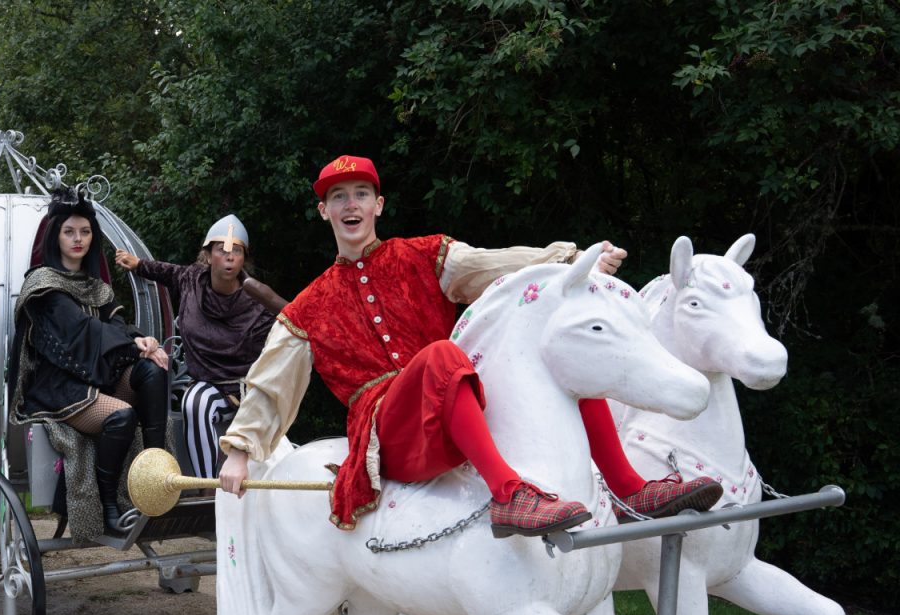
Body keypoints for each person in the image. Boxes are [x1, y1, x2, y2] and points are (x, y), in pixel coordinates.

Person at [218, 155, 722, 536]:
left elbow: (494, 265)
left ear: (379, 205)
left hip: (456, 406)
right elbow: (269, 385)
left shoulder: (426, 255)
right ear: (323, 210)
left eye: (360, 194)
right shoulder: (307, 309)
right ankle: (509, 494)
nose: (351, 205)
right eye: (339, 197)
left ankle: (630, 487)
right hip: (392, 436)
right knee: (441, 356)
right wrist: (240, 453)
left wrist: (569, 260)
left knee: (565, 360)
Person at [8, 188, 171, 535]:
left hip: (97, 379)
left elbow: (113, 325)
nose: (78, 239)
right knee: (122, 416)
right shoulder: (43, 286)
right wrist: (131, 342)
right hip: (58, 387)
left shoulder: (97, 287)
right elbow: (81, 331)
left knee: (151, 370)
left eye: (85, 231)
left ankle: (156, 473)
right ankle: (108, 507)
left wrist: (140, 340)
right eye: (69, 231)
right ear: (56, 235)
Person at [115, 214, 288, 478]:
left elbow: (295, 325)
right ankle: (207, 488)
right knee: (195, 402)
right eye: (222, 249)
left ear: (244, 259)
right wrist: (139, 264)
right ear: (208, 256)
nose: (230, 256)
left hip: (248, 388)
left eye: (237, 251)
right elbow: (167, 271)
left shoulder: (258, 302)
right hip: (208, 384)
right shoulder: (192, 280)